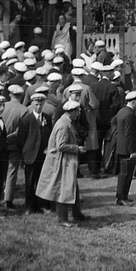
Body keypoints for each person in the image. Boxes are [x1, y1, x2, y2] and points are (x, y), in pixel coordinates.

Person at [36, 96, 86, 227]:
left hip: (65, 161)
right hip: (61, 162)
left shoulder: (66, 121)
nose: (78, 114)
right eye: (78, 112)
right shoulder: (63, 125)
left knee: (72, 187)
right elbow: (61, 145)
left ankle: (77, 214)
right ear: (73, 112)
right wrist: (77, 149)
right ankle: (62, 219)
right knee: (63, 189)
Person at [113, 90, 136, 206]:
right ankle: (121, 197)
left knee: (124, 173)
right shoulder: (130, 115)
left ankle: (122, 196)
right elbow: (129, 135)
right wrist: (132, 151)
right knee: (126, 174)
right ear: (134, 101)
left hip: (121, 147)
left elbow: (113, 121)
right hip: (127, 149)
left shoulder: (122, 111)